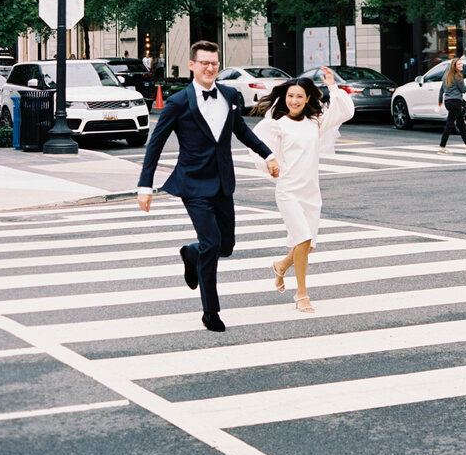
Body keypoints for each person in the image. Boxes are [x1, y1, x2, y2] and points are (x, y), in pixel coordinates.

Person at [136, 40, 279, 333]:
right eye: (204, 63)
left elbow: (241, 130)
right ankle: (210, 311)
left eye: (214, 62)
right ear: (192, 65)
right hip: (193, 184)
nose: (210, 68)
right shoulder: (177, 102)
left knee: (226, 245)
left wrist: (269, 153)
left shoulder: (228, 94)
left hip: (223, 183)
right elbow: (156, 145)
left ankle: (191, 253)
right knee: (212, 244)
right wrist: (145, 185)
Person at [253, 67, 355, 313]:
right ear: (284, 98)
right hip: (288, 191)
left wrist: (332, 86)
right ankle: (302, 294)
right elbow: (260, 149)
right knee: (303, 239)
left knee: (306, 246)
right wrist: (270, 163)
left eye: (299, 96)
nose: (294, 101)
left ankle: (280, 266)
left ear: (308, 98)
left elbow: (344, 111)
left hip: (311, 192)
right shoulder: (277, 125)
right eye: (290, 96)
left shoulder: (315, 122)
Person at [436, 56, 466, 154]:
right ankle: (442, 147)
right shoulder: (458, 76)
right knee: (449, 125)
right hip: (455, 102)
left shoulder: (446, 75)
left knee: (461, 124)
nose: (461, 65)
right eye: (459, 64)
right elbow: (464, 90)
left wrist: (440, 102)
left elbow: (441, 90)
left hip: (448, 102)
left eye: (461, 63)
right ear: (454, 66)